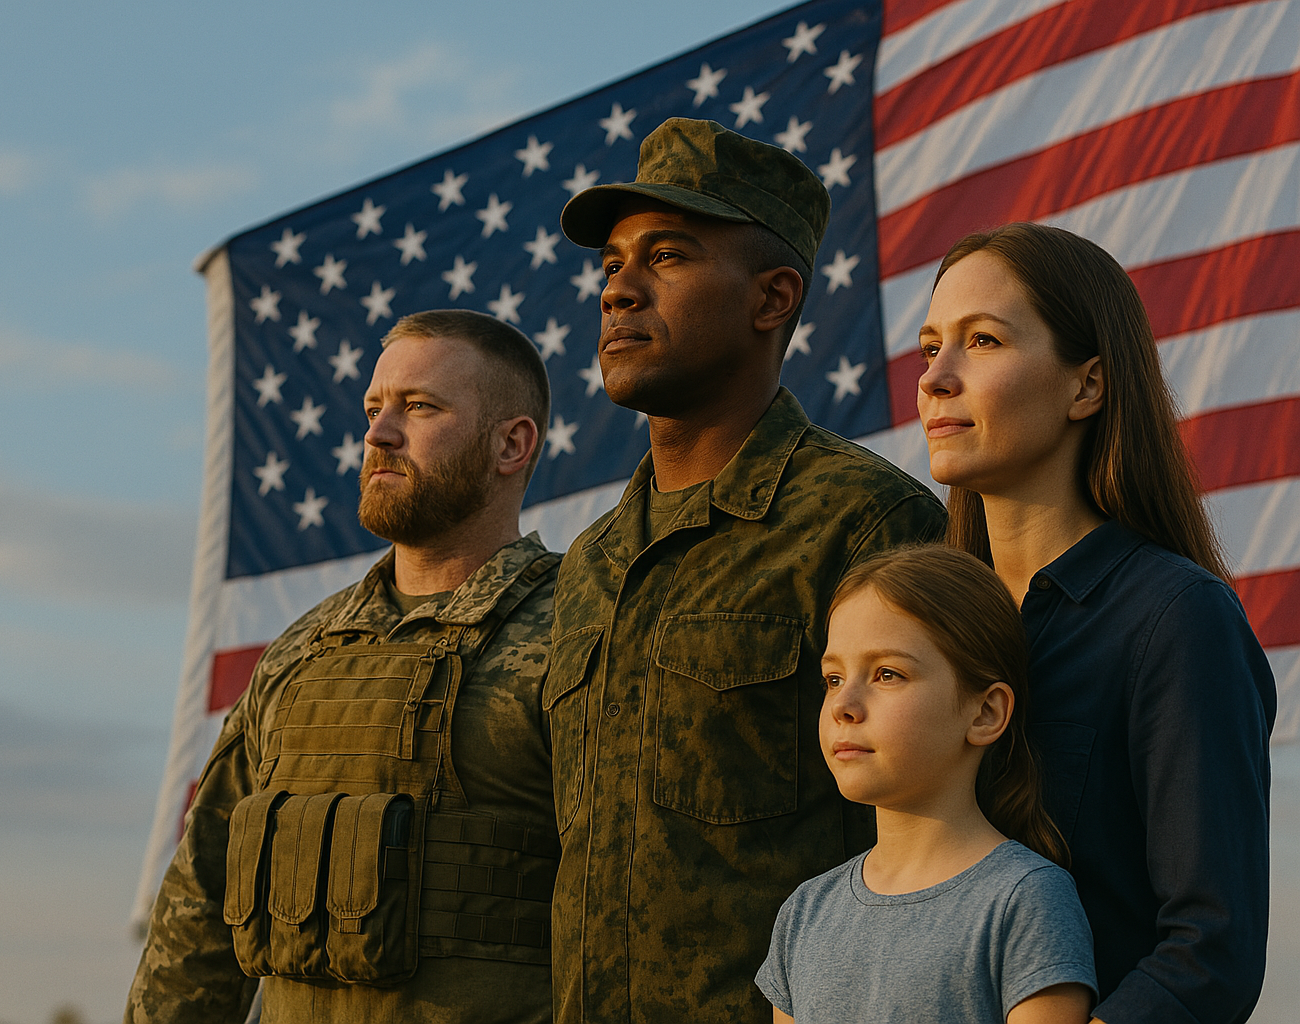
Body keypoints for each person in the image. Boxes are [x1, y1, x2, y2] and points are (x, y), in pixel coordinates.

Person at [546, 117, 948, 1023]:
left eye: (669, 257)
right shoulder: (589, 567)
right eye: (611, 265)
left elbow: (942, 846)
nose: (620, 292)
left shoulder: (868, 523)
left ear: (772, 299)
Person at [126, 309, 563, 1024]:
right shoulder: (301, 654)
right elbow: (198, 907)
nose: (378, 434)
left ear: (511, 444)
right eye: (374, 408)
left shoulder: (581, 632)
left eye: (420, 407)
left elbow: (636, 914)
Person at [918, 222, 1276, 1024]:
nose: (936, 377)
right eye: (928, 347)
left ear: (1087, 386)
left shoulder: (1176, 618)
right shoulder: (919, 626)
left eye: (981, 341)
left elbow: (1209, 951)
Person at [756, 544, 1096, 1024]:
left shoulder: (1025, 901)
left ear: (985, 712)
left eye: (887, 674)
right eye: (832, 679)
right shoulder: (804, 914)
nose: (843, 704)